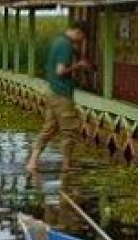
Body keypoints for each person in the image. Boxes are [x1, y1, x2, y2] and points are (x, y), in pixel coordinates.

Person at [26, 20, 94, 174]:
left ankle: (32, 162)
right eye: (82, 37)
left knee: (49, 128)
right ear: (78, 32)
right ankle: (67, 164)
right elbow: (60, 71)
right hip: (62, 93)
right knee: (70, 129)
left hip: (52, 91)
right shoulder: (66, 46)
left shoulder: (58, 40)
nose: (81, 41)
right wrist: (79, 66)